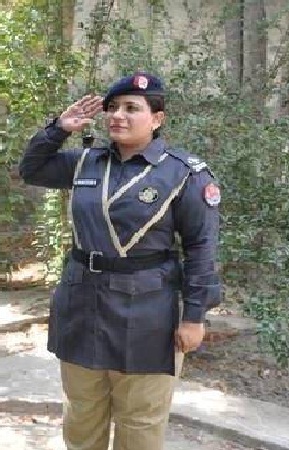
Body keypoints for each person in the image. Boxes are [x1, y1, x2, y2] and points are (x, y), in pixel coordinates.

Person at [19, 72, 221, 450]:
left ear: (157, 118)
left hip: (148, 311)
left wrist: (195, 316)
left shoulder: (184, 173)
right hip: (82, 305)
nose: (118, 116)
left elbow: (202, 248)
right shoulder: (86, 162)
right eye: (113, 108)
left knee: (140, 424)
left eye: (132, 108)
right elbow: (30, 169)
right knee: (81, 416)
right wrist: (59, 128)